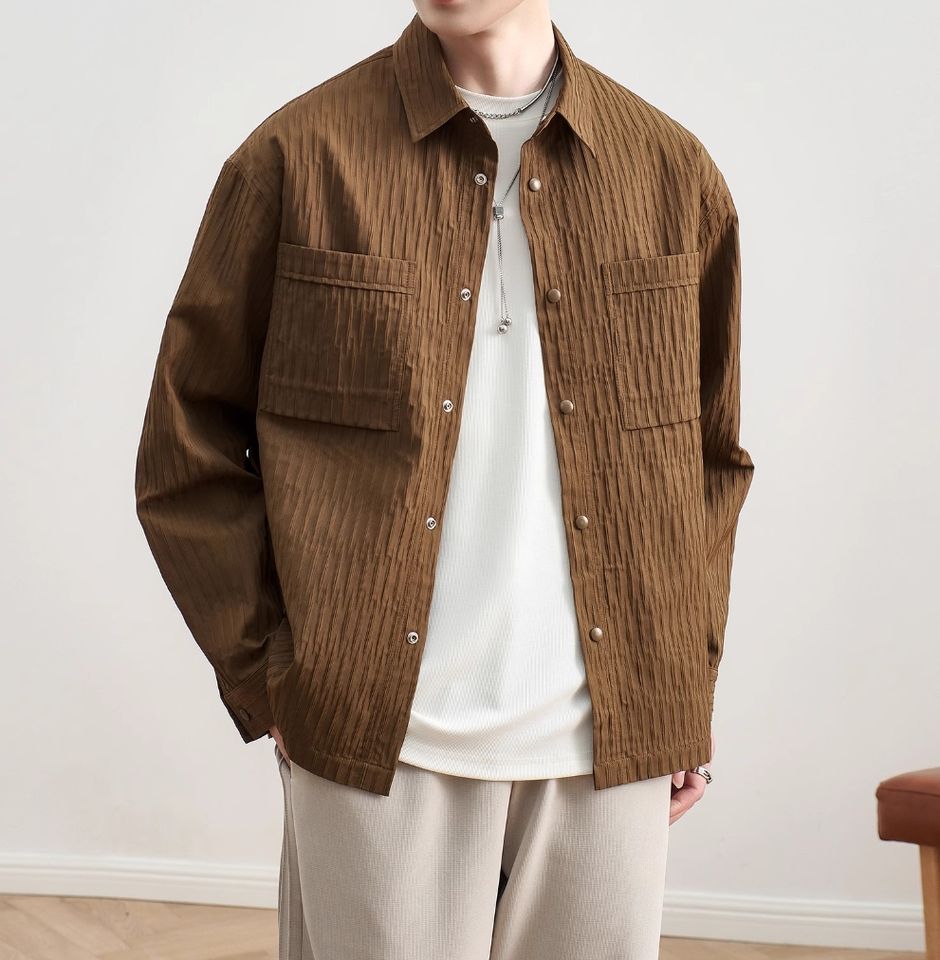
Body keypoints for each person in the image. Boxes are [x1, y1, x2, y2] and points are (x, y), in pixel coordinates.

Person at [134, 1, 755, 957]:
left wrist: (679, 692)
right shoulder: (297, 159)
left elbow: (707, 463)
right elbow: (187, 443)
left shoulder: (671, 174)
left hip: (610, 747)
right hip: (377, 742)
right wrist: (274, 680)